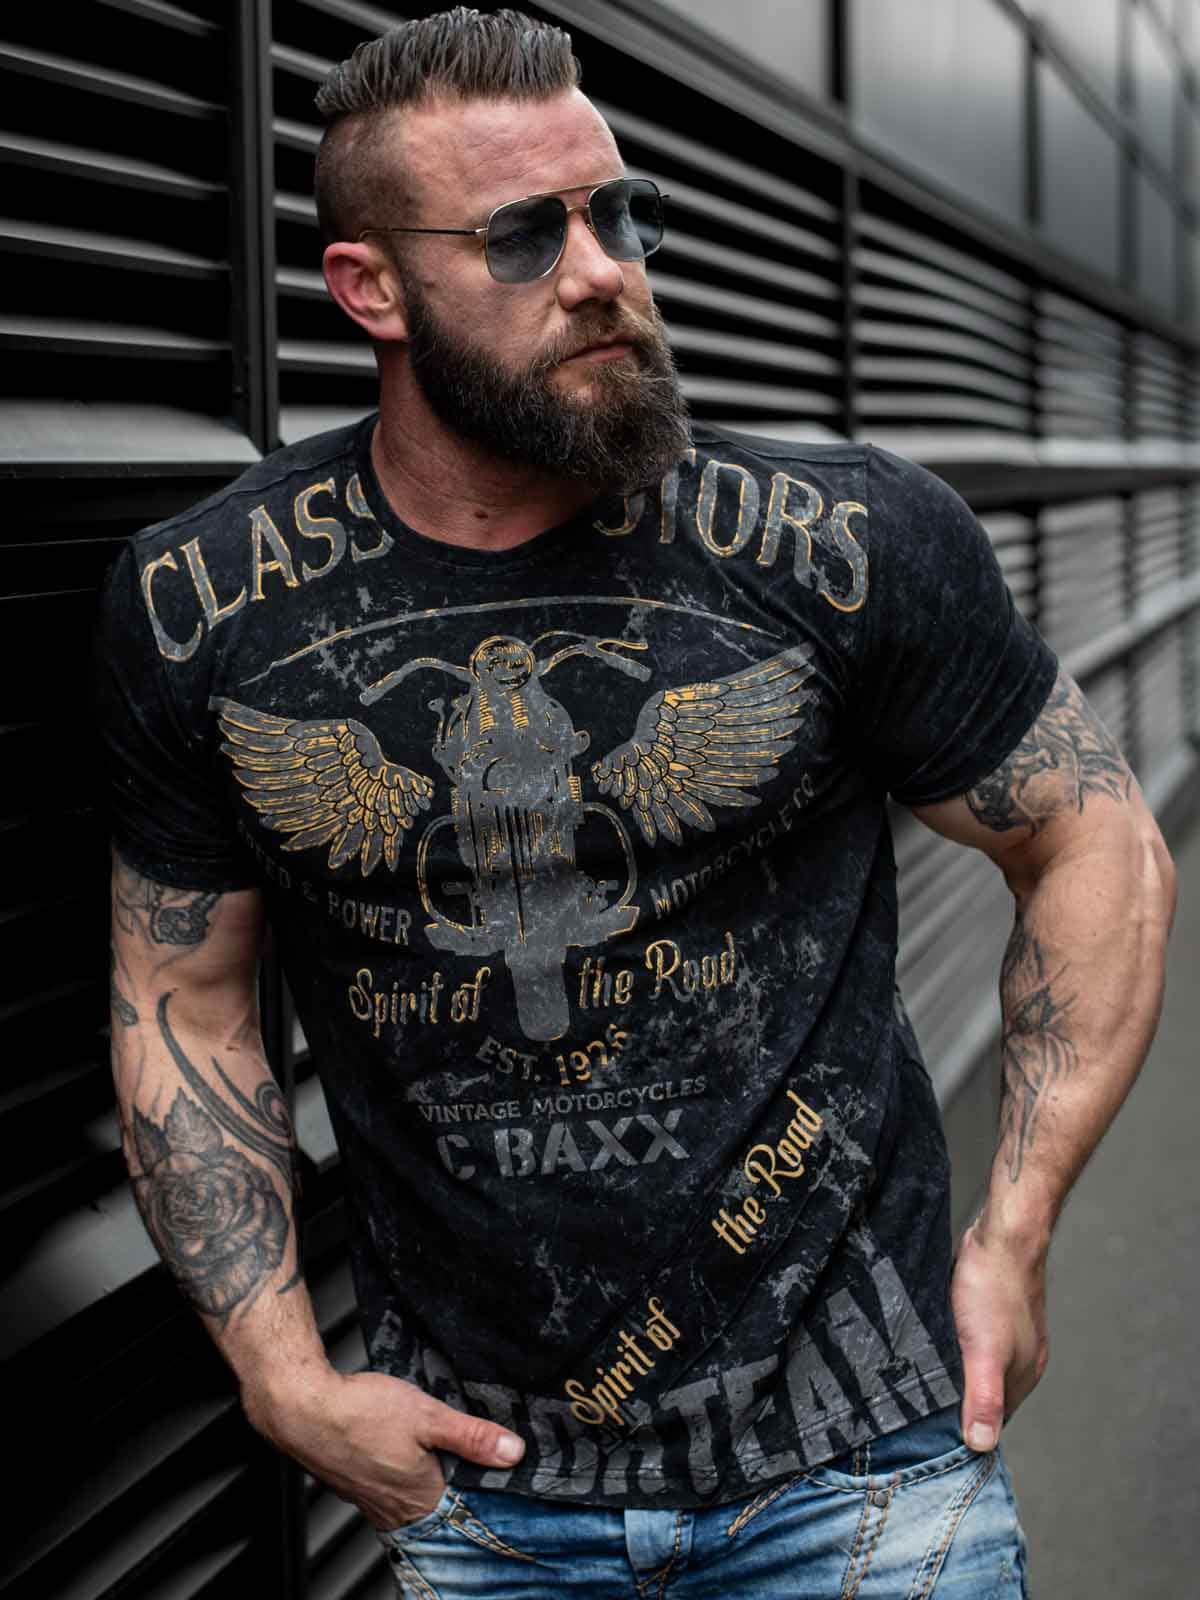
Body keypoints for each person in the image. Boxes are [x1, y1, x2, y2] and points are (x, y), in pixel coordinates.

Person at [97, 9, 1175, 1596]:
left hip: (860, 1465)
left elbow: (1090, 834)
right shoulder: (204, 605)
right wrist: (282, 1376)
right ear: (369, 291)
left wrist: (1016, 1230)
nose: (603, 270)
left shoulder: (847, 541)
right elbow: (181, 994)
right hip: (486, 1492)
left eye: (618, 212)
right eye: (525, 235)